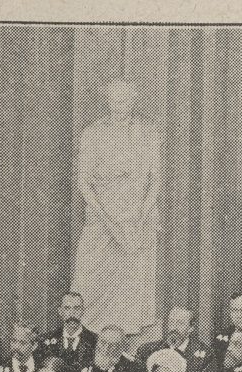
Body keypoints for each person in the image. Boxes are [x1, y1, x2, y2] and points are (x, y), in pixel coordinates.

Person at [72, 79, 161, 336]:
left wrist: (140, 219)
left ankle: (127, 336)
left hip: (136, 219)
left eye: (123, 100)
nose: (117, 106)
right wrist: (110, 223)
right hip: (101, 218)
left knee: (131, 284)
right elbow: (84, 184)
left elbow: (154, 180)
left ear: (133, 101)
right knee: (91, 279)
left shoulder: (148, 133)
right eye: (113, 100)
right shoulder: (92, 133)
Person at [136, 307, 224, 372]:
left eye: (180, 323)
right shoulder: (148, 351)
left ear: (191, 328)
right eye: (171, 322)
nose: (174, 328)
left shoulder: (206, 355)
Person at [41, 292, 93, 364]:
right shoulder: (46, 340)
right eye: (67, 308)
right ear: (60, 311)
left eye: (77, 308)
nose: (72, 313)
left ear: (83, 311)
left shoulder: (94, 341)